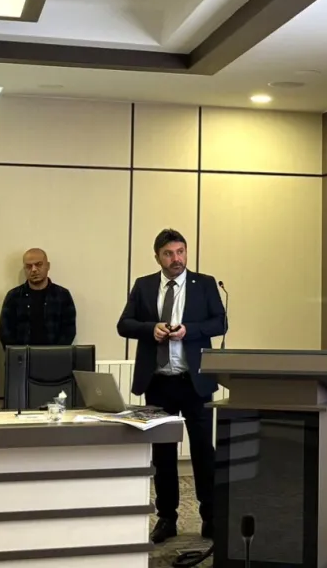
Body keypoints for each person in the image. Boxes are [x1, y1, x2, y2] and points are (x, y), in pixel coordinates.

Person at [118, 228, 227, 543]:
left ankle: (211, 517)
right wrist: (150, 328)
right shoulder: (144, 285)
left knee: (203, 450)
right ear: (158, 257)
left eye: (180, 252)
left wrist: (188, 330)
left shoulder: (204, 284)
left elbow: (220, 322)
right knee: (163, 453)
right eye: (168, 254)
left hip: (195, 382)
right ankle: (167, 518)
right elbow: (124, 324)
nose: (176, 258)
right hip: (159, 383)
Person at [0, 248, 77, 346]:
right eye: (28, 266)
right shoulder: (13, 296)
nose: (34, 270)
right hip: (21, 355)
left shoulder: (62, 295)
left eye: (39, 264)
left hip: (55, 355)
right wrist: (19, 353)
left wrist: (55, 353)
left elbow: (69, 331)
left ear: (48, 266)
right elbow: (5, 332)